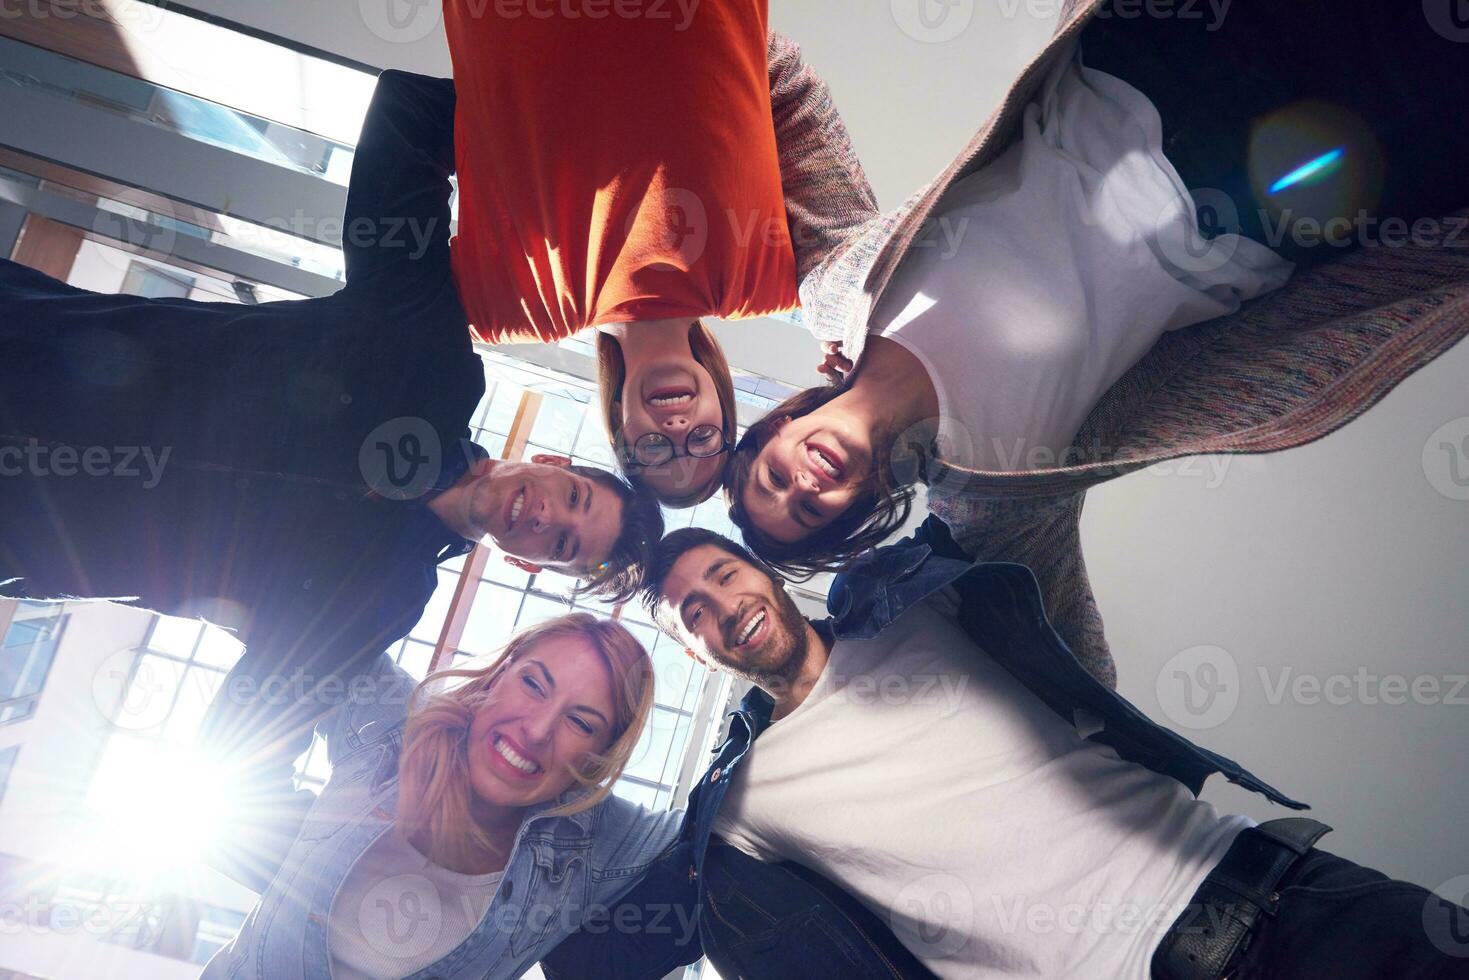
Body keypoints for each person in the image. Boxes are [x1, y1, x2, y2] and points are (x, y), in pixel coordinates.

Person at [725, 0, 1469, 668]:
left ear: (778, 430)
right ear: (857, 510)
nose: (804, 484)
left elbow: (781, 92)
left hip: (1154, 62)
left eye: (773, 479)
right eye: (809, 512)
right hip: (1272, 206)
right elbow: (1068, 656)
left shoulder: (832, 294)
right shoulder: (988, 492)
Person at [0, 70, 663, 790]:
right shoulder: (429, 359)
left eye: (561, 543)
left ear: (530, 566)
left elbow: (242, 742)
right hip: (24, 343)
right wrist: (585, 132)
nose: (544, 515)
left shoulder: (383, 596)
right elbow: (406, 120)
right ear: (551, 459)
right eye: (571, 497)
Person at [542, 528, 1469, 979]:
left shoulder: (920, 601)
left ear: (765, 571)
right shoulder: (738, 805)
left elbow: (999, 480)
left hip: (1275, 889)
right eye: (688, 615)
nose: (718, 607)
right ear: (693, 652)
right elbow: (599, 956)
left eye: (723, 575)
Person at [442, 1, 873, 505]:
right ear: (724, 411)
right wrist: (860, 318)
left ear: (619, 427)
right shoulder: (770, 281)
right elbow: (789, 87)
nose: (677, 430)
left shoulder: (503, 311)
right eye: (703, 441)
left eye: (654, 450)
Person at [202, 612, 683, 980]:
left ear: (600, 756)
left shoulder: (602, 838)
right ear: (498, 676)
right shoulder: (392, 720)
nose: (537, 730)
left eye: (581, 722)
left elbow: (730, 824)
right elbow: (308, 619)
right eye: (533, 684)